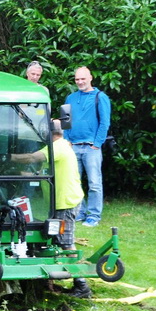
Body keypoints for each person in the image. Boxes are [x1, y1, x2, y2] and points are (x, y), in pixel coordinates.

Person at [11, 119, 90, 297]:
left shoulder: (58, 148)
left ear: (47, 133)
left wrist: (8, 157)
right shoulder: (60, 146)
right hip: (61, 202)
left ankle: (82, 286)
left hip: (66, 202)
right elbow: (46, 174)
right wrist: (21, 175)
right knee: (53, 240)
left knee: (66, 243)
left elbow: (32, 158)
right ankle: (49, 281)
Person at [64, 66, 111, 227]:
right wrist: (67, 140)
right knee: (75, 183)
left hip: (91, 148)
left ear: (90, 78)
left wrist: (97, 144)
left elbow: (105, 123)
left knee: (94, 183)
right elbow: (65, 121)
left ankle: (94, 216)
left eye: (83, 78)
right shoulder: (70, 98)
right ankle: (80, 212)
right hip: (73, 147)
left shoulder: (100, 97)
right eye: (77, 79)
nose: (80, 82)